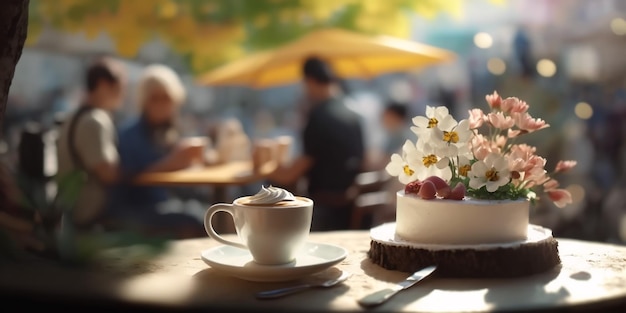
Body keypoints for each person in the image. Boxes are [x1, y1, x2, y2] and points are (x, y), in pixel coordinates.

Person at [106, 64, 205, 239]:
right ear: (144, 101)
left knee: (207, 209)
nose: (161, 104)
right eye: (154, 98)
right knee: (197, 218)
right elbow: (129, 178)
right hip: (134, 209)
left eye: (166, 98)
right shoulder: (130, 134)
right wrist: (172, 162)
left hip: (160, 202)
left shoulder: (167, 131)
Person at [267, 56, 365, 231]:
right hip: (351, 206)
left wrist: (268, 170)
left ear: (310, 80)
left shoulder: (319, 116)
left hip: (322, 210)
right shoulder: (353, 112)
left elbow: (292, 173)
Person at [56, 57, 126, 230]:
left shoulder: (74, 116)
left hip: (71, 208)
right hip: (91, 214)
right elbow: (107, 174)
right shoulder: (96, 120)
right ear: (103, 86)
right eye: (119, 88)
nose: (122, 95)